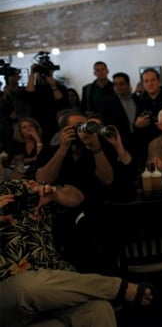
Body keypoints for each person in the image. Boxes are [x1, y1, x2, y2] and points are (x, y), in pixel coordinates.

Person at [0, 178, 156, 327]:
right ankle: (119, 289)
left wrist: (57, 195)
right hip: (9, 291)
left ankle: (114, 290)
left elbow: (77, 196)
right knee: (28, 286)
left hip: (54, 282)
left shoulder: (20, 187)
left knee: (98, 308)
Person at [36, 109, 117, 274]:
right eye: (76, 127)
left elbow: (107, 179)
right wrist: (63, 148)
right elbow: (43, 179)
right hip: (60, 212)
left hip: (93, 212)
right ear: (64, 131)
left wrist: (96, 149)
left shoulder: (98, 149)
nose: (81, 130)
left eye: (84, 126)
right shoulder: (50, 151)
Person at [134, 68, 162, 170]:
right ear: (143, 84)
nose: (150, 84)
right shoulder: (140, 100)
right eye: (146, 81)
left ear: (159, 81)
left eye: (153, 80)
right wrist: (137, 125)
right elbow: (135, 124)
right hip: (147, 147)